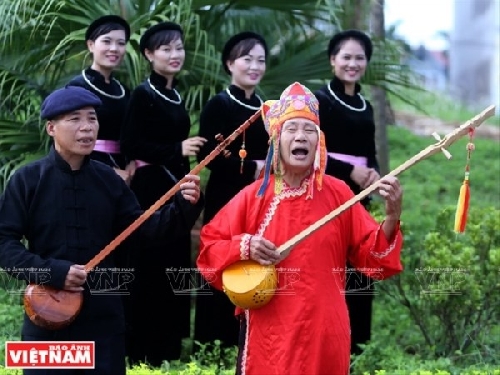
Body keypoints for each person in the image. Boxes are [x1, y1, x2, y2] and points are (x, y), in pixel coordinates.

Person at [197, 82, 404, 375]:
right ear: (276, 141)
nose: (300, 137)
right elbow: (210, 247)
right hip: (269, 332)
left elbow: (373, 256)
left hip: (324, 329)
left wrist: (392, 217)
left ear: (318, 143)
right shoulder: (255, 196)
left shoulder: (339, 194)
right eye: (291, 129)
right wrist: (245, 246)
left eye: (308, 130)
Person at [0, 86, 203, 375]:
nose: (87, 128)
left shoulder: (108, 179)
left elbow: (144, 231)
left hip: (103, 320)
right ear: (51, 128)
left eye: (92, 119)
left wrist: (185, 205)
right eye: (74, 119)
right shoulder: (27, 180)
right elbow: (5, 245)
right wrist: (53, 271)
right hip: (46, 314)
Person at [120, 21, 205, 365]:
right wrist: (176, 148)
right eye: (166, 49)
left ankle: (168, 346)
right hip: (150, 187)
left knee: (174, 259)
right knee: (150, 265)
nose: (175, 55)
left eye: (179, 48)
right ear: (149, 54)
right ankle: (140, 348)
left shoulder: (175, 94)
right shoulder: (142, 94)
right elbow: (130, 143)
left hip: (176, 187)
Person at [194, 31, 270, 349]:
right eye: (246, 59)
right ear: (230, 64)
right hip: (225, 195)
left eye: (261, 60)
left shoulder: (268, 109)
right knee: (223, 256)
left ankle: (248, 333)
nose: (254, 66)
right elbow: (206, 156)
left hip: (259, 198)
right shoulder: (218, 104)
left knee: (252, 258)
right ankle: (212, 339)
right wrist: (253, 168)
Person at [314, 29, 381, 356]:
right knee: (330, 267)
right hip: (326, 193)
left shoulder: (366, 105)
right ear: (332, 60)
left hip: (360, 198)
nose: (353, 63)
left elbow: (369, 151)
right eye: (346, 57)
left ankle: (357, 345)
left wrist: (375, 174)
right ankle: (326, 342)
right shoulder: (319, 100)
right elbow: (309, 150)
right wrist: (348, 171)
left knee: (359, 266)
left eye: (359, 58)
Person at [67, 15, 135, 185]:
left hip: (125, 172)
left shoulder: (123, 90)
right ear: (91, 45)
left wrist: (132, 162)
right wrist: (109, 171)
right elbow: (68, 138)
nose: (114, 48)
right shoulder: (77, 87)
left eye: (121, 43)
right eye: (106, 41)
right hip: (89, 172)